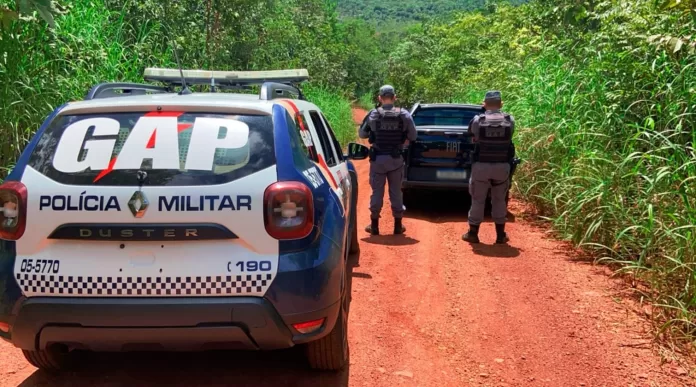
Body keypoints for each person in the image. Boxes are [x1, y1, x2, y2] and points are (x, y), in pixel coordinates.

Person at [359, 85, 417, 235]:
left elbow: (362, 134)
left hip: (378, 159)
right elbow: (413, 136)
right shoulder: (404, 114)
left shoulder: (373, 114)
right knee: (396, 192)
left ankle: (375, 226)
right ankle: (398, 226)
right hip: (396, 159)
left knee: (377, 192)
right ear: (394, 97)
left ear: (379, 98)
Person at [462, 90, 515, 244]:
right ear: (501, 104)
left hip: (481, 166)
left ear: (484, 104)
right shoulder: (509, 120)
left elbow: (471, 133)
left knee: (478, 200)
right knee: (499, 200)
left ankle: (473, 234)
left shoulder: (478, 120)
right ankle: (500, 236)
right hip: (502, 166)